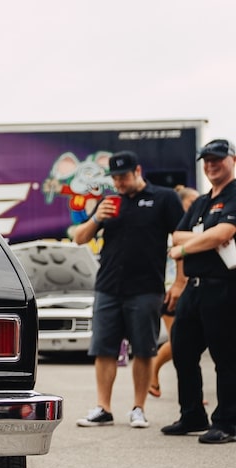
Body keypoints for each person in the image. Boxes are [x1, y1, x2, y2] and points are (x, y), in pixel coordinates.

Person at [70, 151, 185, 428]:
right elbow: (79, 238)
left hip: (146, 288)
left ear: (138, 171)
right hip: (108, 287)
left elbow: (181, 239)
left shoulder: (164, 198)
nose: (119, 182)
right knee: (104, 349)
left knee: (144, 350)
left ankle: (138, 408)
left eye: (123, 176)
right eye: (115, 178)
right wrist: (97, 217)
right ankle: (103, 409)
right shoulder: (109, 201)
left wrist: (180, 281)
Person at [162, 139, 236, 443]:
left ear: (232, 159)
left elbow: (225, 232)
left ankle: (228, 422)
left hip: (223, 287)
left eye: (217, 159)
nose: (210, 165)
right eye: (206, 160)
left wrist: (185, 248)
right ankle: (192, 415)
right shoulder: (203, 201)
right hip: (193, 288)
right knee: (183, 351)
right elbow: (177, 232)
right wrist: (204, 239)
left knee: (226, 356)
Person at [149, 185, 200, 397]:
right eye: (192, 203)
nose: (196, 207)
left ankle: (191, 391)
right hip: (172, 291)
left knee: (184, 342)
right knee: (179, 342)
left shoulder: (189, 227)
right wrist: (179, 283)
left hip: (188, 289)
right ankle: (153, 373)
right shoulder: (176, 230)